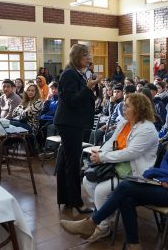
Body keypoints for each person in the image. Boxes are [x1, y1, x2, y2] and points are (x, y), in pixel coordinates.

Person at [60, 97, 168, 250]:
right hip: (167, 184)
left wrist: (156, 171)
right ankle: (133, 244)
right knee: (126, 199)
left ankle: (92, 222)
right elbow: (166, 160)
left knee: (125, 187)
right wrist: (164, 177)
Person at [81, 93, 159, 242]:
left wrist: (103, 157)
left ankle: (103, 226)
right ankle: (108, 214)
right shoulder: (125, 123)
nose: (124, 108)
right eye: (124, 104)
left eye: (128, 105)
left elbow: (130, 153)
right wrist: (101, 154)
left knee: (100, 190)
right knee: (87, 181)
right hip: (116, 166)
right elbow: (112, 142)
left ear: (139, 109)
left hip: (134, 172)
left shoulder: (147, 129)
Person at [54, 44, 101, 213]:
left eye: (88, 55)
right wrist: (87, 88)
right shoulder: (69, 74)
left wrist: (93, 86)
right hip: (69, 123)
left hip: (74, 122)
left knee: (67, 159)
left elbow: (88, 98)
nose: (88, 58)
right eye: (85, 55)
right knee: (73, 162)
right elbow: (71, 100)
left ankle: (66, 197)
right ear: (76, 57)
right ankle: (75, 201)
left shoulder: (78, 74)